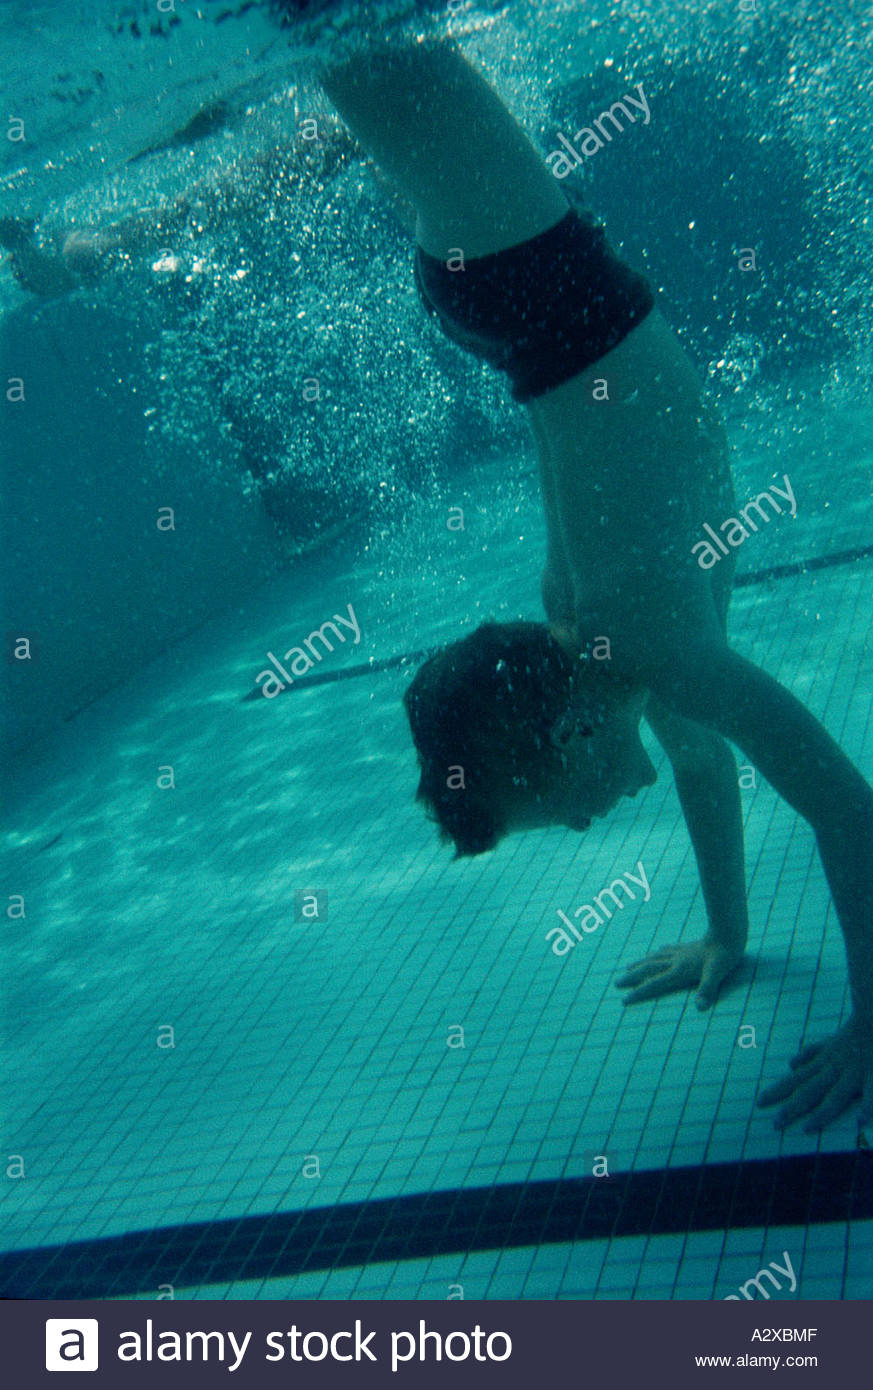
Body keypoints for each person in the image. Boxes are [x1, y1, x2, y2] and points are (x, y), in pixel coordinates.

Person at [285, 27, 873, 1135]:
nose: (584, 827)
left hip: (528, 281)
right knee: (342, 46)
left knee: (341, 27)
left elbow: (851, 808)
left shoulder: (650, 650)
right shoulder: (629, 669)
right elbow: (705, 762)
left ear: (567, 741)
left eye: (556, 815)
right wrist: (730, 937)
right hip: (519, 309)